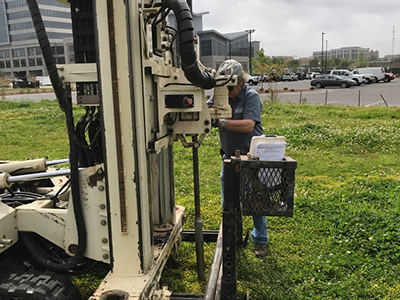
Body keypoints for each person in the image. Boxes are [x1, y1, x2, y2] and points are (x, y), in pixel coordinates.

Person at [207, 59, 268, 258]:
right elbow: (205, 112)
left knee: (254, 200)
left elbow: (249, 125)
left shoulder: (251, 96)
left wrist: (222, 121)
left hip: (251, 158)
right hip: (228, 157)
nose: (228, 92)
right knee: (228, 201)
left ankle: (260, 240)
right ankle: (231, 237)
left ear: (241, 83)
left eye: (231, 87)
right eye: (224, 87)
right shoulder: (219, 95)